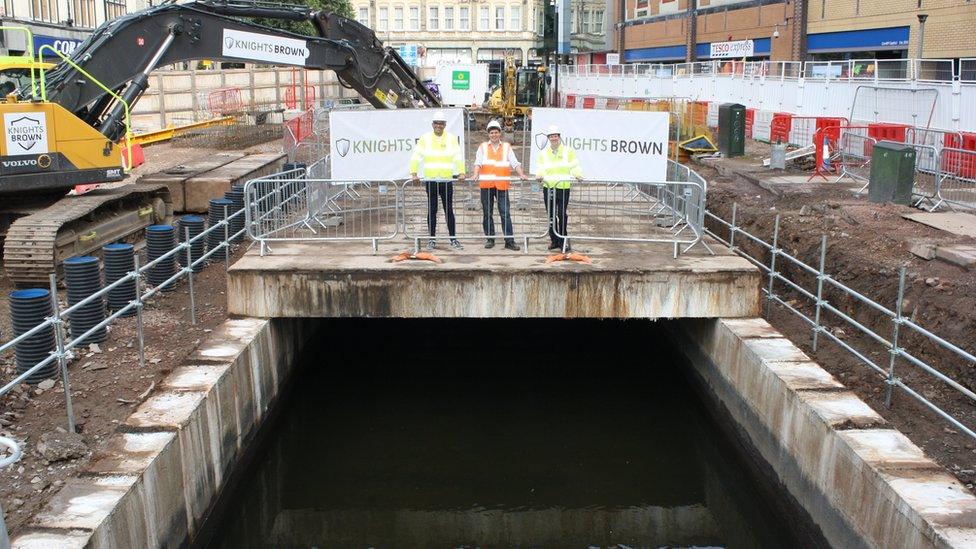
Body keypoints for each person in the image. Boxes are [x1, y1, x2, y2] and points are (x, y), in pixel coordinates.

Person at [410, 111, 466, 250]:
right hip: (431, 180)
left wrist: (461, 172)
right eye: (436, 123)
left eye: (441, 123)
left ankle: (453, 239)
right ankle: (432, 239)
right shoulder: (425, 139)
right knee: (432, 210)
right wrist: (414, 172)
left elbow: (457, 156)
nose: (439, 126)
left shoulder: (451, 139)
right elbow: (416, 156)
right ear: (432, 124)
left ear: (445, 125)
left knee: (449, 210)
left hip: (446, 180)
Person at [472, 120, 526, 251]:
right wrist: (475, 174)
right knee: (487, 213)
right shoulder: (483, 147)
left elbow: (514, 163)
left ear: (500, 133)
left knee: (505, 213)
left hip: (502, 185)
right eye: (491, 133)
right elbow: (477, 162)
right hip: (486, 185)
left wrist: (521, 174)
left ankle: (509, 241)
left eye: (496, 132)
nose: (494, 135)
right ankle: (490, 239)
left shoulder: (506, 147)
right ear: (488, 134)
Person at [536, 125, 582, 252]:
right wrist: (539, 175)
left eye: (555, 136)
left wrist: (578, 174)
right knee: (551, 215)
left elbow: (574, 166)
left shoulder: (568, 151)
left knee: (562, 215)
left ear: (559, 137)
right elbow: (540, 168)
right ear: (548, 138)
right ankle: (554, 240)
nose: (553, 138)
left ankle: (563, 240)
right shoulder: (544, 154)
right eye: (551, 136)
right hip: (549, 188)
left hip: (563, 187)